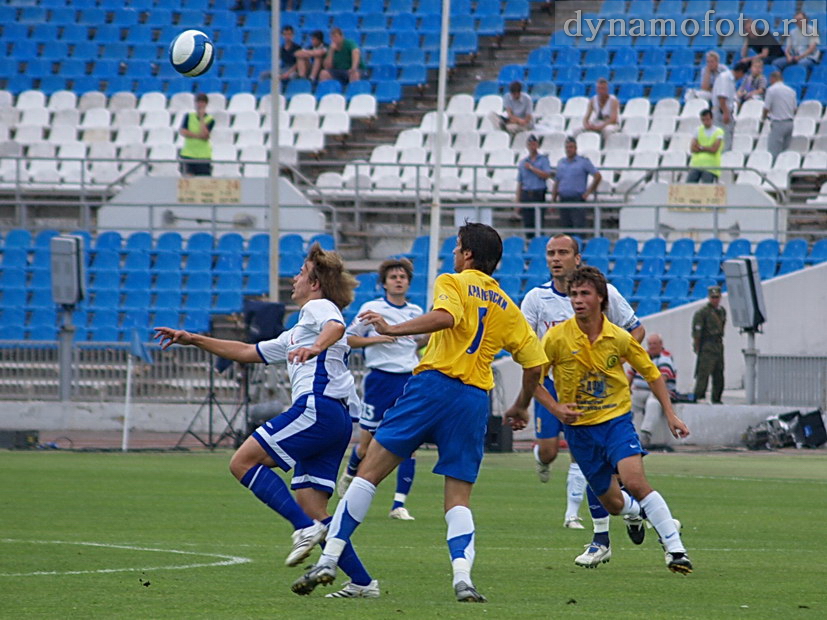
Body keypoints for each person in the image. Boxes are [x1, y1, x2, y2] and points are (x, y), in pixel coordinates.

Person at [292, 223, 548, 603]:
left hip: (433, 386)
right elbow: (534, 362)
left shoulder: (454, 281)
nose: (454, 254)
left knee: (369, 472)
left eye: (458, 247)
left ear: (469, 256)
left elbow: (446, 318)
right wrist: (522, 403)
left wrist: (395, 330)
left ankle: (329, 560)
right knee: (458, 496)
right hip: (474, 399)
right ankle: (463, 578)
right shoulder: (506, 305)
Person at [154, 244, 381, 600]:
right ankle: (363, 582)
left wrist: (317, 348)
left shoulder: (319, 309)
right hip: (334, 420)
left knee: (242, 462)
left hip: (316, 409)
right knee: (314, 506)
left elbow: (336, 326)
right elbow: (248, 352)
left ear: (316, 282)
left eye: (302, 273)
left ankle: (303, 529)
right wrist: (193, 339)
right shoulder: (298, 330)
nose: (295, 279)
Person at [511, 265, 693, 575]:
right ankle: (642, 514)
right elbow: (534, 380)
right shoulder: (556, 338)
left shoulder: (619, 337)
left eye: (585, 294)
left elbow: (652, 375)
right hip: (580, 431)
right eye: (573, 294)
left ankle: (676, 550)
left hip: (615, 422)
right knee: (613, 504)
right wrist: (555, 409)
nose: (578, 300)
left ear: (601, 298)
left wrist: (672, 414)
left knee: (634, 482)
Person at [520, 234, 645, 568]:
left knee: (591, 463)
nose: (555, 258)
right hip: (552, 386)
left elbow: (636, 330)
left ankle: (600, 538)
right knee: (549, 451)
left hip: (596, 392)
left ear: (578, 258)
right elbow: (524, 344)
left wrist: (613, 363)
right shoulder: (536, 298)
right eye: (550, 253)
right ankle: (630, 509)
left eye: (563, 252)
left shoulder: (606, 294)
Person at [338, 258, 428, 521]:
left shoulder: (415, 311)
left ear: (409, 282)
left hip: (408, 380)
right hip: (379, 380)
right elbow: (349, 339)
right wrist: (378, 337)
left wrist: (430, 335)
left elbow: (417, 341)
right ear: (384, 283)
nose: (398, 280)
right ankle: (351, 470)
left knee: (409, 443)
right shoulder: (372, 308)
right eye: (393, 277)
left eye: (403, 277)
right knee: (367, 447)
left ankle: (399, 504)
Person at [629, 333, 677, 449]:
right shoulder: (642, 355)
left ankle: (645, 435)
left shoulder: (665, 357)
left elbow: (661, 381)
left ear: (661, 344)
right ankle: (623, 433)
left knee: (653, 402)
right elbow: (630, 375)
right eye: (650, 344)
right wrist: (626, 389)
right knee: (625, 400)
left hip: (660, 392)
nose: (652, 346)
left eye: (655, 344)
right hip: (640, 391)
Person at [551, 137, 602, 232]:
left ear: (575, 148)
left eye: (571, 147)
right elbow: (557, 182)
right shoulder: (561, 163)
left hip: (577, 199)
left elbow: (597, 176)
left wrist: (588, 192)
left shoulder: (583, 162)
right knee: (566, 230)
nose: (568, 150)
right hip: (563, 199)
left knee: (579, 228)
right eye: (567, 147)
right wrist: (553, 200)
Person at [692, 285, 726, 404]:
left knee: (719, 373)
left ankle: (717, 398)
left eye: (717, 297)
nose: (715, 300)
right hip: (707, 345)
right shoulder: (702, 313)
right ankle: (699, 396)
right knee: (703, 373)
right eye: (713, 297)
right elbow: (697, 333)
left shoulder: (721, 311)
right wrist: (698, 347)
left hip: (718, 345)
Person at [515, 134, 552, 238]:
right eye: (530, 144)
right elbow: (520, 183)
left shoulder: (543, 160)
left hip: (538, 194)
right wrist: (517, 202)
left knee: (539, 223)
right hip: (526, 194)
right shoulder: (523, 162)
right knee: (528, 223)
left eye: (534, 144)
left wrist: (532, 168)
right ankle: (529, 243)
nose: (532, 146)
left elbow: (546, 175)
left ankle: (539, 244)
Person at [763, 70, 798, 161]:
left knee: (773, 152)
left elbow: (766, 107)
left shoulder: (771, 90)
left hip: (778, 122)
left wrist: (763, 118)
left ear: (772, 79)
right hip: (790, 123)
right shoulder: (791, 91)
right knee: (785, 152)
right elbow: (795, 109)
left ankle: (773, 170)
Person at [572, 78, 620, 143]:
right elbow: (586, 117)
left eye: (603, 88)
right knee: (577, 130)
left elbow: (613, 119)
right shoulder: (592, 100)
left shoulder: (613, 100)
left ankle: (606, 147)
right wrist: (587, 125)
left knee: (607, 130)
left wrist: (600, 126)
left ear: (607, 90)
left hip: (611, 124)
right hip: (597, 122)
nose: (601, 91)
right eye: (599, 88)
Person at [178, 93, 214, 176]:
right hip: (188, 153)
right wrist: (198, 136)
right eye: (198, 102)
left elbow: (205, 135)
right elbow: (183, 131)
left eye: (202, 102)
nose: (199, 105)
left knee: (202, 183)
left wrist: (201, 118)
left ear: (206, 104)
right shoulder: (188, 116)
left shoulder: (210, 119)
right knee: (187, 180)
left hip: (203, 155)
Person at [687, 109, 724, 184]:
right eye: (703, 120)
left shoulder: (718, 132)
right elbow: (692, 148)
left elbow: (714, 149)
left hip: (711, 166)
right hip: (696, 164)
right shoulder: (697, 130)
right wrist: (707, 148)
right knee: (689, 186)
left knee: (707, 189)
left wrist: (700, 147)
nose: (705, 122)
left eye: (707, 119)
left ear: (712, 118)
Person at [709, 51, 736, 151]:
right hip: (713, 96)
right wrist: (708, 72)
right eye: (708, 62)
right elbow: (704, 87)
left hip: (722, 104)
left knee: (725, 133)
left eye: (712, 62)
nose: (710, 64)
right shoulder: (706, 70)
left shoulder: (724, 73)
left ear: (717, 62)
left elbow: (723, 94)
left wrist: (725, 112)